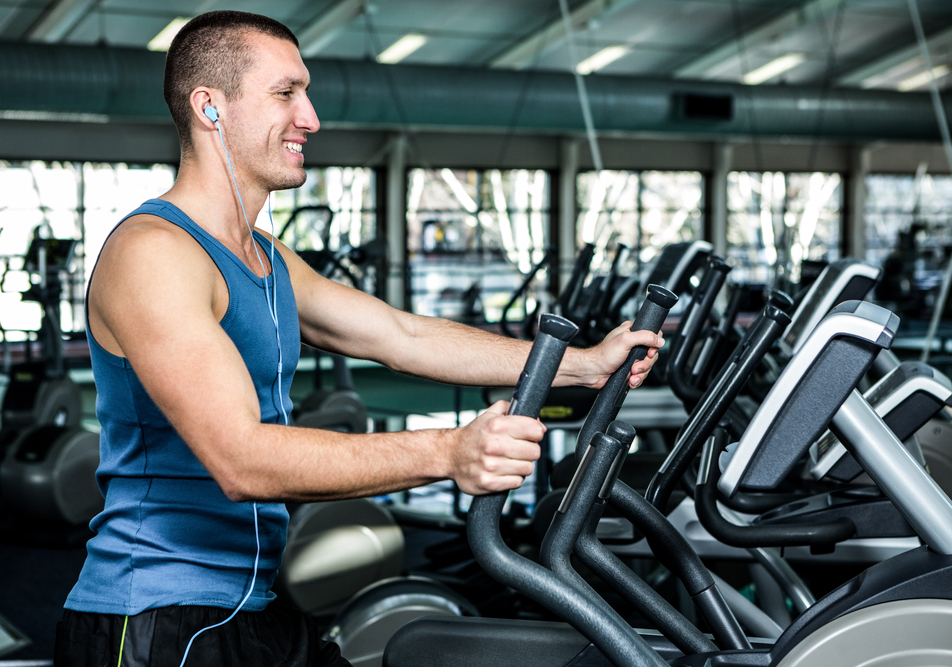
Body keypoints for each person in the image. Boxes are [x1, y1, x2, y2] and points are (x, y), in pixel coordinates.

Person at [54, 10, 665, 667]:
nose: (310, 118)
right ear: (210, 107)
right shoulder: (154, 252)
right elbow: (241, 459)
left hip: (249, 602)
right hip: (157, 620)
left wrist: (582, 364)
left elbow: (402, 334)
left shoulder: (265, 257)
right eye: (285, 93)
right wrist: (450, 451)